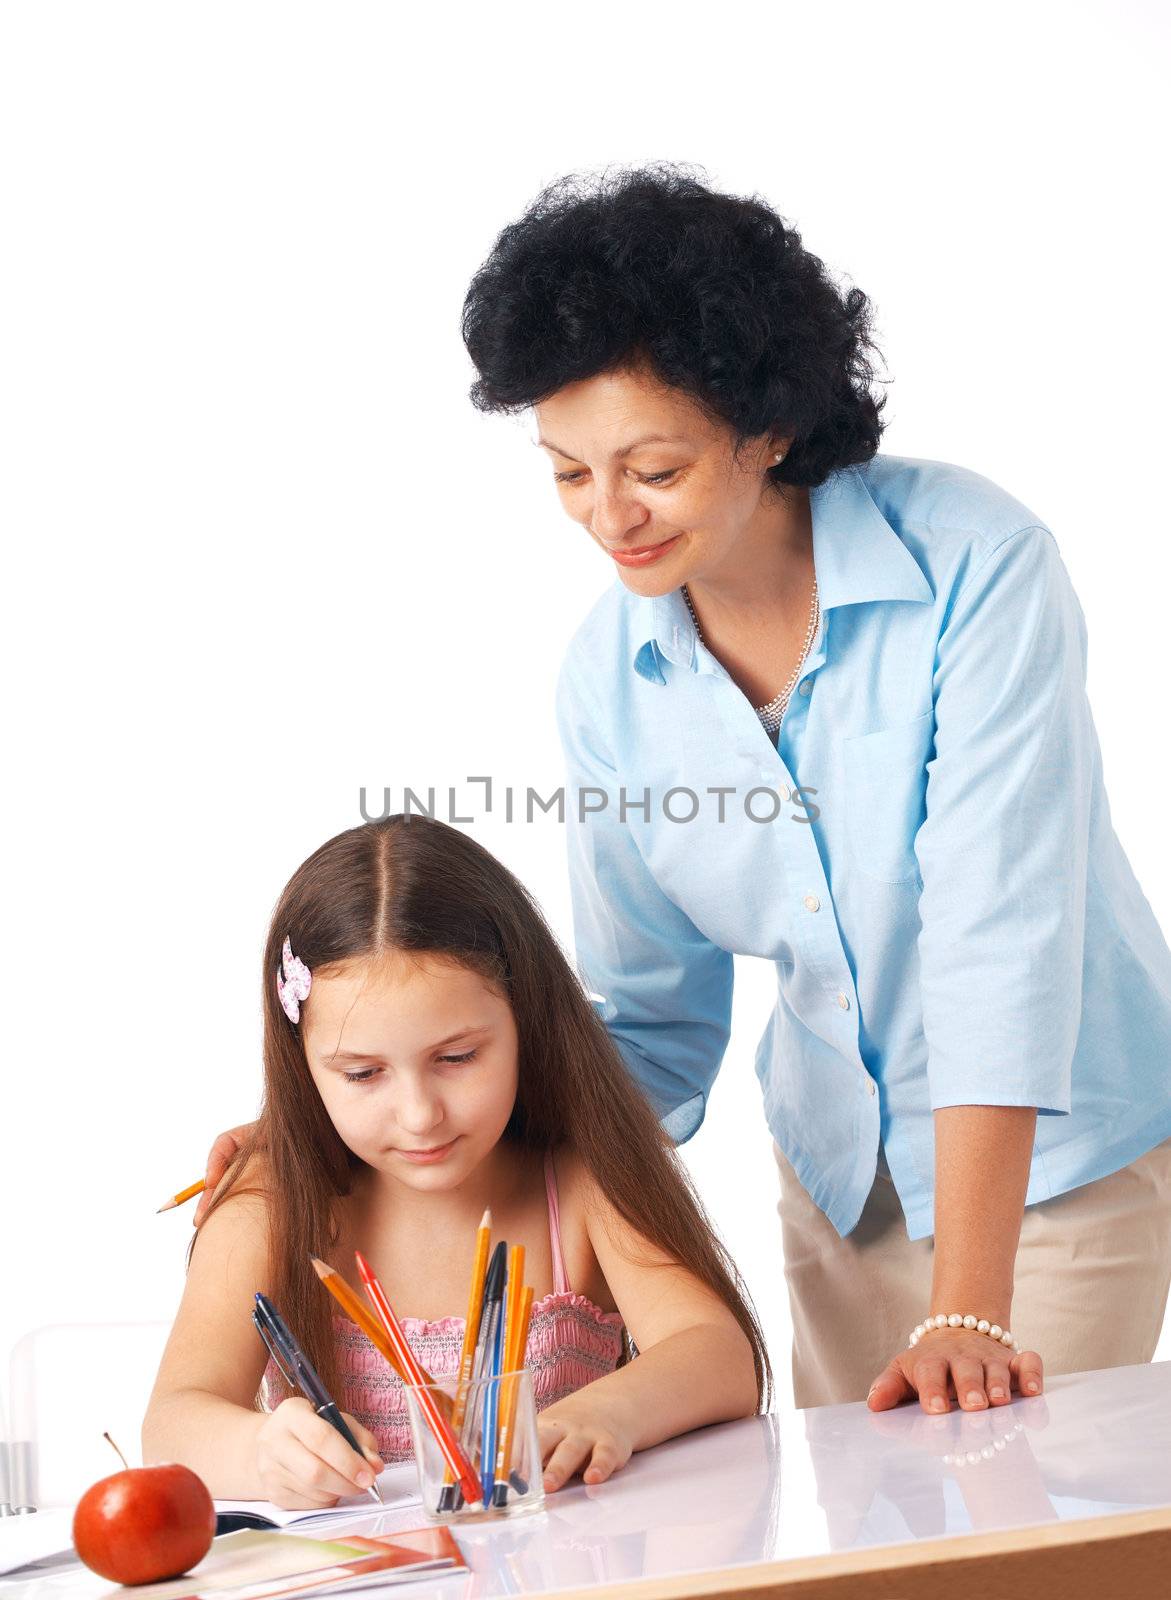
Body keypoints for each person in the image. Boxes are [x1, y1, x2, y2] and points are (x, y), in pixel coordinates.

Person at [199, 162, 1171, 1418]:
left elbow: (1000, 939)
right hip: (838, 1181)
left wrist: (969, 1305)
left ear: (766, 426)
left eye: (649, 467)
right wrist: (350, 1134)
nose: (609, 515)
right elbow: (643, 1022)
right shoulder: (611, 678)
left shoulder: (975, 566)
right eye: (567, 473)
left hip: (1048, 1169)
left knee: (1019, 1532)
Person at [143, 814, 768, 1509]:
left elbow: (717, 1354)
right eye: (361, 1074)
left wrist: (605, 1413)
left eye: (456, 1058)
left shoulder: (577, 1181)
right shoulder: (270, 1200)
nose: (419, 1114)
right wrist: (263, 1454)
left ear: (526, 1022)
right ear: (302, 1066)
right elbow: (172, 1423)